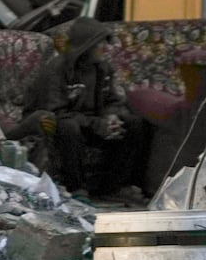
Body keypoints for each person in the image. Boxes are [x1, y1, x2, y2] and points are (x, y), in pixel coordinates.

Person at [10, 17, 145, 197]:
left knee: (135, 124)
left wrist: (110, 117)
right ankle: (76, 186)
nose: (106, 48)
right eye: (100, 43)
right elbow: (55, 112)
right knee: (68, 127)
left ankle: (113, 187)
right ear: (86, 46)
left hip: (92, 125)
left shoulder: (103, 69)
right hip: (58, 126)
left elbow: (113, 100)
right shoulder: (57, 70)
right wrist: (97, 125)